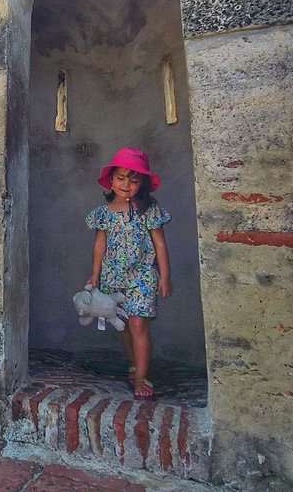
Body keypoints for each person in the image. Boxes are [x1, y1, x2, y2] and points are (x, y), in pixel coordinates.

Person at [85, 146, 172, 400]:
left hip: (143, 275)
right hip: (113, 277)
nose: (126, 185)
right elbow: (99, 245)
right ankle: (134, 365)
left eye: (133, 180)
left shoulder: (149, 210)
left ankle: (142, 378)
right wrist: (94, 274)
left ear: (142, 183)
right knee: (123, 326)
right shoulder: (103, 213)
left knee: (138, 324)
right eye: (121, 178)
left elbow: (160, 244)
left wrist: (164, 276)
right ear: (111, 180)